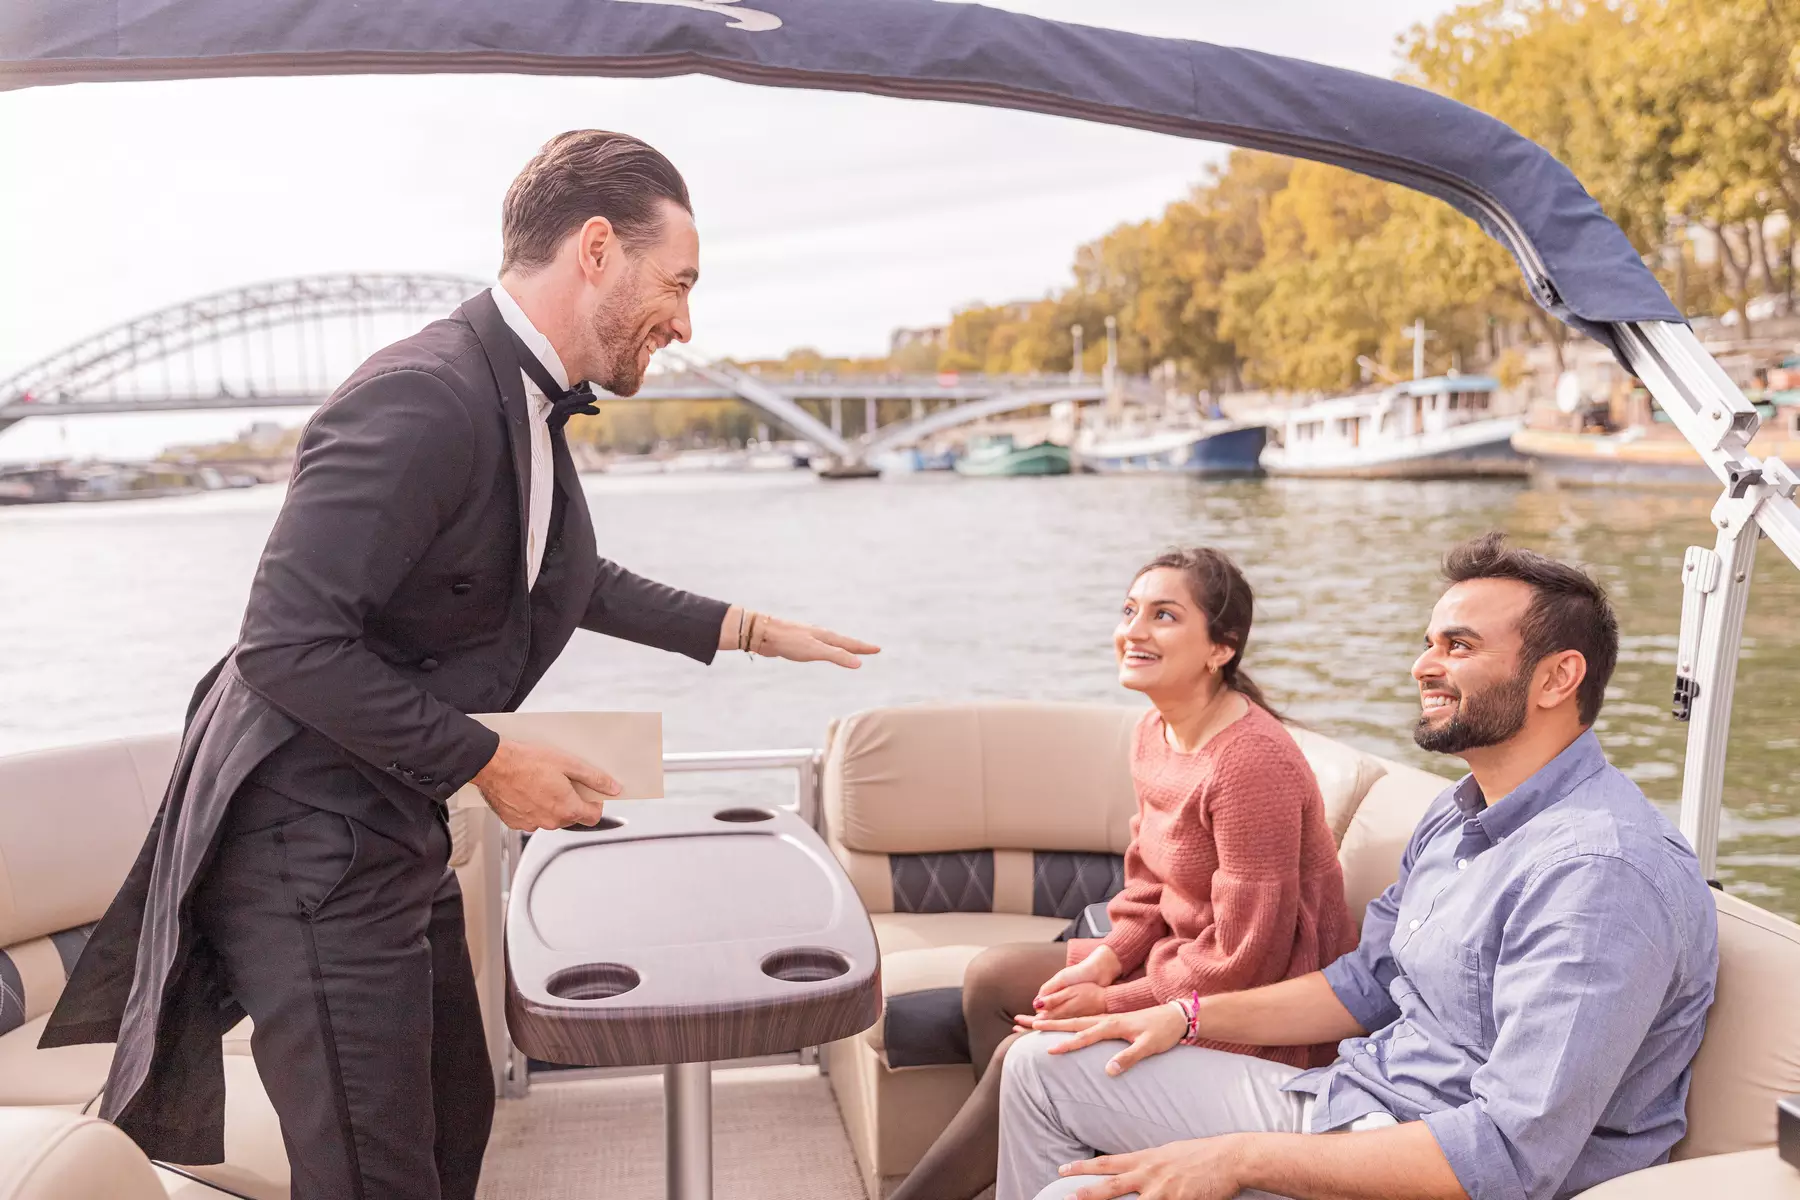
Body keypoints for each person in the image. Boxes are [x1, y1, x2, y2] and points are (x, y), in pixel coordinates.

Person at [42, 130, 878, 1200]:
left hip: (388, 823)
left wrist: (751, 628)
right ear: (594, 251)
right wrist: (490, 760)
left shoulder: (514, 400)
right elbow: (287, 643)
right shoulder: (423, 395)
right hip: (310, 846)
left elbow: (559, 572)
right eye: (677, 283)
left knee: (453, 1126)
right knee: (373, 1175)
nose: (685, 319)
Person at [998, 532, 1719, 1200]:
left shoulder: (1600, 874)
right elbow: (1367, 982)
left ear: (1558, 678)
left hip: (1432, 1166)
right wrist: (1183, 1017)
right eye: (1428, 642)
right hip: (1354, 1099)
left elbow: (1507, 1155)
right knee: (1041, 1068)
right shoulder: (1457, 813)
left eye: (1459, 647)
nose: (1422, 666)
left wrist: (1236, 1156)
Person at [891, 547, 1356, 1200]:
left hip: (1255, 1010)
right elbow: (1147, 885)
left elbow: (1247, 959)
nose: (1134, 630)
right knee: (993, 979)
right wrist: (1105, 965)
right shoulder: (1154, 733)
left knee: (1026, 1054)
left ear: (1220, 648)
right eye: (1130, 610)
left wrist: (1111, 1005)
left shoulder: (1250, 765)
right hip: (1180, 961)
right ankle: (1038, 1160)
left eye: (1163, 615)